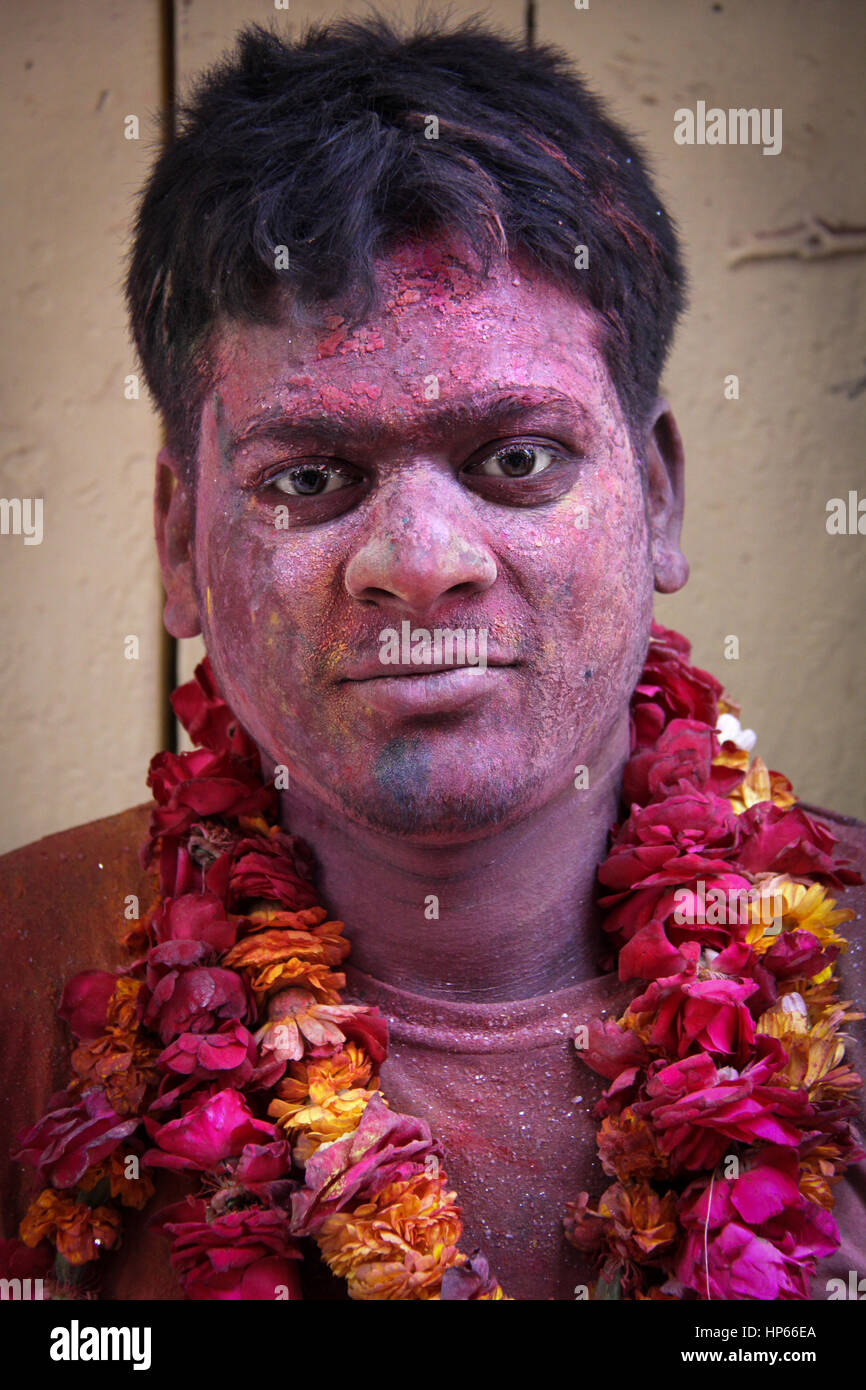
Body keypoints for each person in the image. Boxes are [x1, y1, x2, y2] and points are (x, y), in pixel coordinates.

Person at [1, 16, 863, 1302]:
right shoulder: (25, 970)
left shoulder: (843, 980)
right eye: (310, 476)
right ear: (181, 544)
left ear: (660, 498)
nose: (417, 559)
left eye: (515, 458)